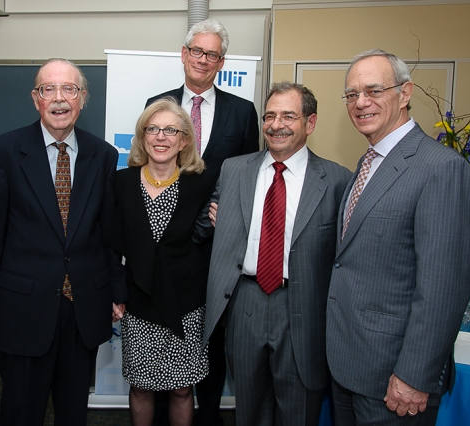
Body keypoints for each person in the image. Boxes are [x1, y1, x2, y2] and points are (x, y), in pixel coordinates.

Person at [326, 49, 470, 426]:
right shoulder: (367, 162)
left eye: (374, 90)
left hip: (395, 379)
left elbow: (443, 288)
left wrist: (413, 375)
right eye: (351, 94)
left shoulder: (442, 169)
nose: (361, 102)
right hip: (348, 367)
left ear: (405, 93)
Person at [0, 58, 127, 426]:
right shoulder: (3, 151)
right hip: (23, 307)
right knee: (20, 411)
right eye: (49, 89)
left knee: (72, 410)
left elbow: (108, 233)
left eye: (69, 89)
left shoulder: (103, 155)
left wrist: (117, 292)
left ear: (82, 98)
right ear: (35, 98)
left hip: (84, 307)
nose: (59, 99)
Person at [199, 82, 351, 426]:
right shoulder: (234, 169)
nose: (275, 124)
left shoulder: (337, 180)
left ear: (309, 123)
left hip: (303, 309)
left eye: (288, 116)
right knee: (248, 410)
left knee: (298, 412)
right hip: (245, 304)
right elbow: (216, 227)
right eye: (269, 115)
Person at [146, 18, 260, 426]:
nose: (203, 59)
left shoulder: (243, 112)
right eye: (197, 51)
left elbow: (250, 175)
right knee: (161, 342)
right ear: (184, 55)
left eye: (212, 54)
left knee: (211, 343)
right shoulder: (157, 103)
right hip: (164, 246)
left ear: (221, 61)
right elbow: (148, 168)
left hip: (217, 248)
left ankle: (209, 417)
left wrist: (216, 222)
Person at [106, 98, 211, 426]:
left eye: (170, 130)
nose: (161, 137)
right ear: (142, 137)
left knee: (182, 389)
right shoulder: (121, 183)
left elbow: (209, 241)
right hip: (139, 298)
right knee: (140, 387)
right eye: (153, 129)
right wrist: (115, 291)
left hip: (187, 301)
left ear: (184, 141)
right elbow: (110, 244)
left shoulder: (201, 184)